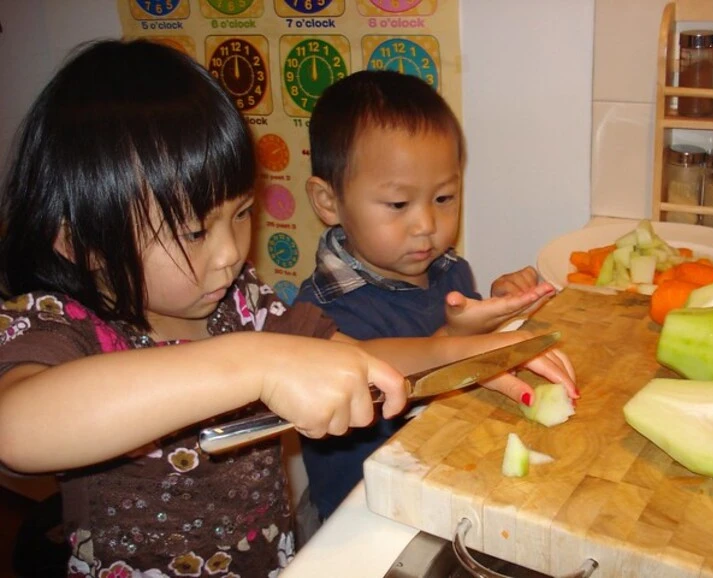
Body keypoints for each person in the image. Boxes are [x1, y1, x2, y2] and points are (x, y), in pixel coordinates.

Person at [0, 41, 576, 578]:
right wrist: (254, 363)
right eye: (196, 231)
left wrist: (466, 351)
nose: (230, 253)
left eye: (242, 212)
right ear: (82, 242)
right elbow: (17, 427)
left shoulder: (239, 302)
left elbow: (358, 357)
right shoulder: (60, 322)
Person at [295, 70, 579, 522]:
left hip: (446, 488)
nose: (427, 224)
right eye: (398, 205)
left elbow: (464, 363)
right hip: (363, 520)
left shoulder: (450, 269)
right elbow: (381, 379)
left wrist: (496, 312)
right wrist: (457, 339)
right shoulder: (319, 314)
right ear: (329, 202)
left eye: (444, 198)